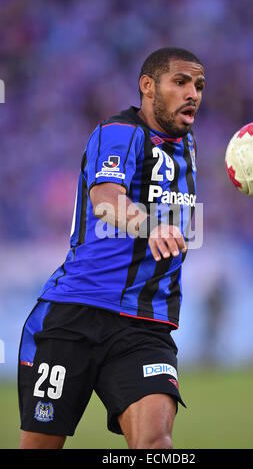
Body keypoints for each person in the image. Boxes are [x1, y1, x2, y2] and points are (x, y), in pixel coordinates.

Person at [18, 47, 205, 449]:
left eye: (199, 85)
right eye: (181, 82)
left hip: (144, 325)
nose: (193, 93)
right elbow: (105, 198)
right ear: (147, 86)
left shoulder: (188, 149)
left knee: (156, 444)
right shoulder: (120, 132)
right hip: (76, 315)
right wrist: (150, 225)